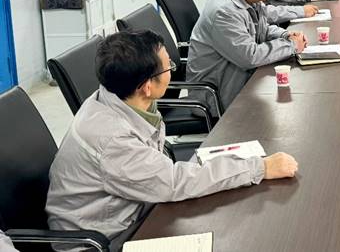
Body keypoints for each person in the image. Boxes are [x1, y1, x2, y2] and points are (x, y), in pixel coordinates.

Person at [45, 30, 299, 251]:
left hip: (131, 206)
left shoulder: (118, 96)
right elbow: (174, 183)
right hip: (104, 239)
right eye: (169, 67)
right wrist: (259, 167)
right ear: (146, 86)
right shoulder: (112, 139)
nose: (172, 70)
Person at [188, 0, 307, 115]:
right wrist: (291, 45)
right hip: (217, 97)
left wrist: (285, 35)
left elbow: (263, 28)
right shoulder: (224, 12)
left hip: (241, 82)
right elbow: (250, 56)